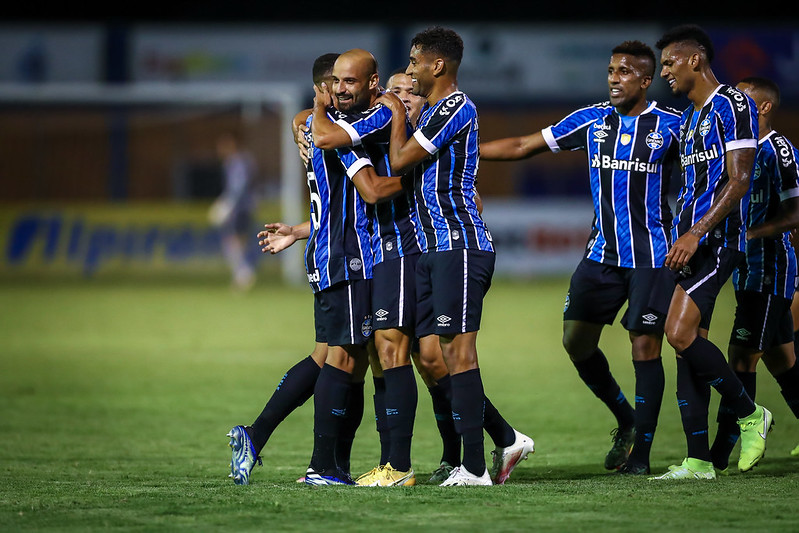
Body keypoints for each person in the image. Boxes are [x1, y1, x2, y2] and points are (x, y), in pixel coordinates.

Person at [311, 50, 533, 486]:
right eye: (395, 91)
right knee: (425, 357)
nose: (400, 98)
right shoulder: (389, 127)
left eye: (408, 91)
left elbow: (371, 184)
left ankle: (402, 464)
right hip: (397, 250)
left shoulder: (413, 131)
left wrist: (318, 109)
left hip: (408, 250)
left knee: (405, 350)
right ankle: (493, 442)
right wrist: (302, 230)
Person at [479, 40, 680, 475]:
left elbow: (709, 173)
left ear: (646, 81)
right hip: (601, 256)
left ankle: (641, 455)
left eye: (625, 71)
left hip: (654, 257)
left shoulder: (673, 126)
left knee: (644, 347)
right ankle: (626, 418)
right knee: (576, 341)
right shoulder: (591, 120)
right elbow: (521, 146)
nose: (614, 77)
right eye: (611, 70)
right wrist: (462, 154)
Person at [227, 53, 401, 486]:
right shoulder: (333, 130)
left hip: (334, 249)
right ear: (323, 89)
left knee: (337, 359)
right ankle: (321, 467)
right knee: (343, 359)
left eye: (349, 83)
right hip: (344, 256)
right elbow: (368, 189)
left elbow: (333, 187)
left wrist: (300, 230)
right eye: (335, 84)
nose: (343, 90)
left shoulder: (316, 124)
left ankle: (290, 449)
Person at [379, 26, 535, 486]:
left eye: (414, 62)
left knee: (459, 354)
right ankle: (497, 446)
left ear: (437, 65)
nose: (409, 70)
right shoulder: (434, 113)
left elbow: (401, 160)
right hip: (435, 248)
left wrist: (393, 115)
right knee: (444, 356)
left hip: (459, 245)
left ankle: (473, 467)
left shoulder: (455, 107)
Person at [649, 24, 772, 481]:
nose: (665, 73)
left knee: (677, 333)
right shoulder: (689, 119)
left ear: (694, 60)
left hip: (716, 241)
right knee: (687, 346)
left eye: (669, 63)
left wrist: (696, 232)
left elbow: (740, 179)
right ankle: (698, 460)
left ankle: (749, 414)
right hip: (689, 243)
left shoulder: (731, 104)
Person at [710, 77, 799, 471]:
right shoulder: (739, 149)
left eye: (742, 99)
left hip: (769, 270)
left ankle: (719, 453)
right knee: (782, 361)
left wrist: (748, 233)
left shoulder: (778, 150)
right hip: (747, 271)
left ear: (761, 107)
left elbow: (795, 213)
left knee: (741, 360)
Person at [208, 131, 258, 291]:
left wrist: (226, 204)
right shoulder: (237, 162)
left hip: (240, 208)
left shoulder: (238, 162)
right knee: (238, 240)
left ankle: (243, 273)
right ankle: (243, 273)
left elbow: (238, 187)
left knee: (233, 240)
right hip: (244, 207)